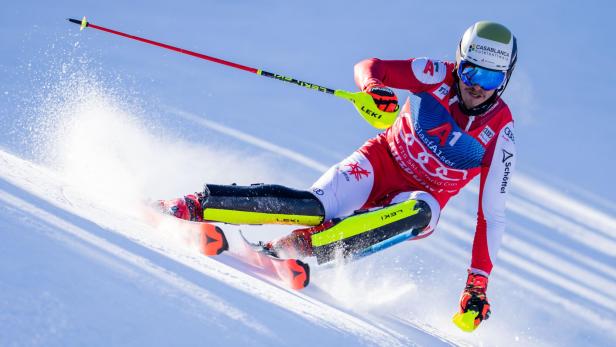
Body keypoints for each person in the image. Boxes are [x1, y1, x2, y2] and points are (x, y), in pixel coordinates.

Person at [157, 21, 517, 331]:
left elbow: (492, 215)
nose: (477, 86)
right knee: (313, 206)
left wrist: (477, 285)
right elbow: (370, 66)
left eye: (491, 77)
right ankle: (196, 205)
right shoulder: (435, 74)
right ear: (459, 63)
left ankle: (297, 247)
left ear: (504, 79)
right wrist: (374, 88)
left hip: (416, 200)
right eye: (471, 72)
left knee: (420, 212)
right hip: (378, 164)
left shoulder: (501, 133)